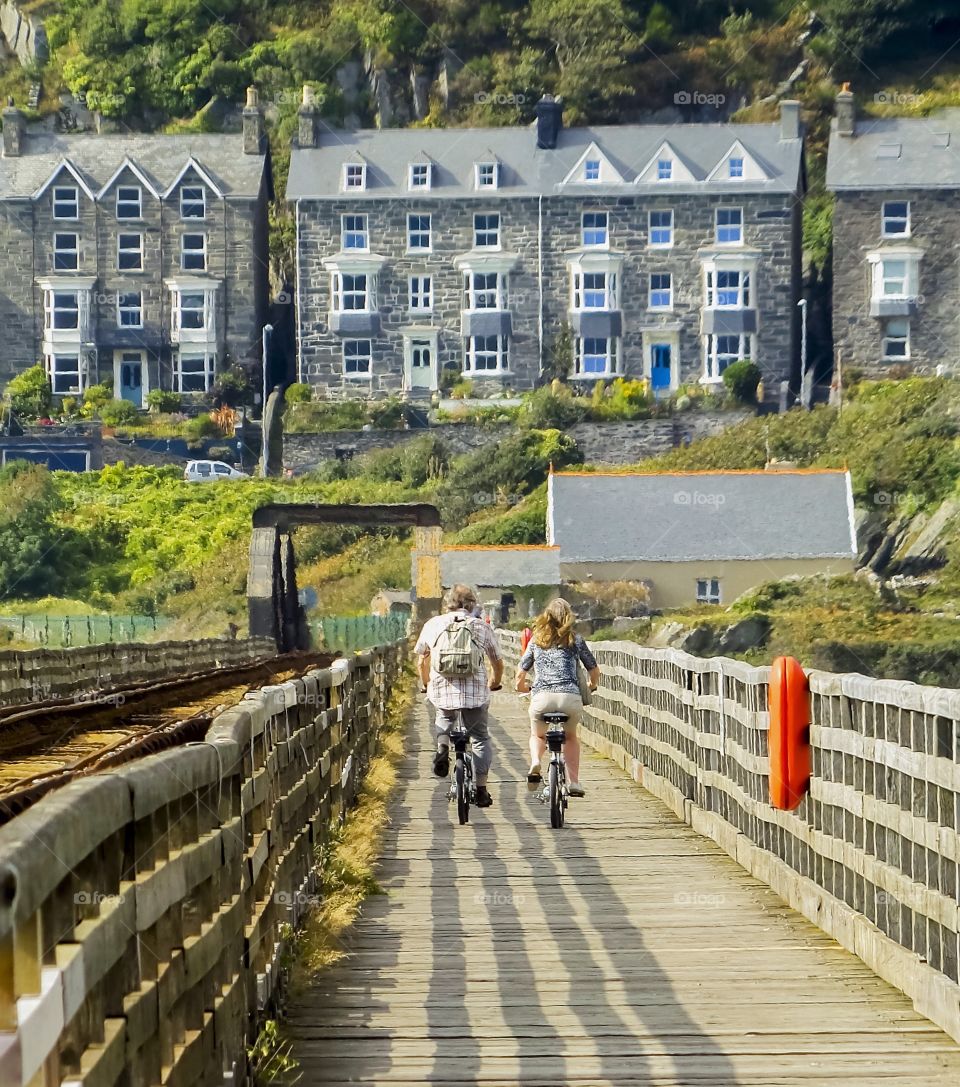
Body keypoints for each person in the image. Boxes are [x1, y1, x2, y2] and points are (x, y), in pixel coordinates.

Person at [415, 584, 504, 808]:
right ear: (472, 605)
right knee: (480, 738)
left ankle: (442, 747)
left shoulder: (433, 624)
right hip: (475, 693)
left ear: (448, 604)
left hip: (442, 690)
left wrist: (426, 684)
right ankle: (481, 789)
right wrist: (494, 682)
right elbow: (497, 661)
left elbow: (421, 659)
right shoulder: (480, 626)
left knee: (444, 718)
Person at [515, 598, 599, 798]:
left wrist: (521, 687)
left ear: (546, 616)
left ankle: (536, 760)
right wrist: (591, 685)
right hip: (569, 698)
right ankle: (575, 782)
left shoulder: (536, 640)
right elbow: (594, 670)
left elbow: (520, 673)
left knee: (538, 735)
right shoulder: (575, 640)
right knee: (570, 737)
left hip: (542, 697)